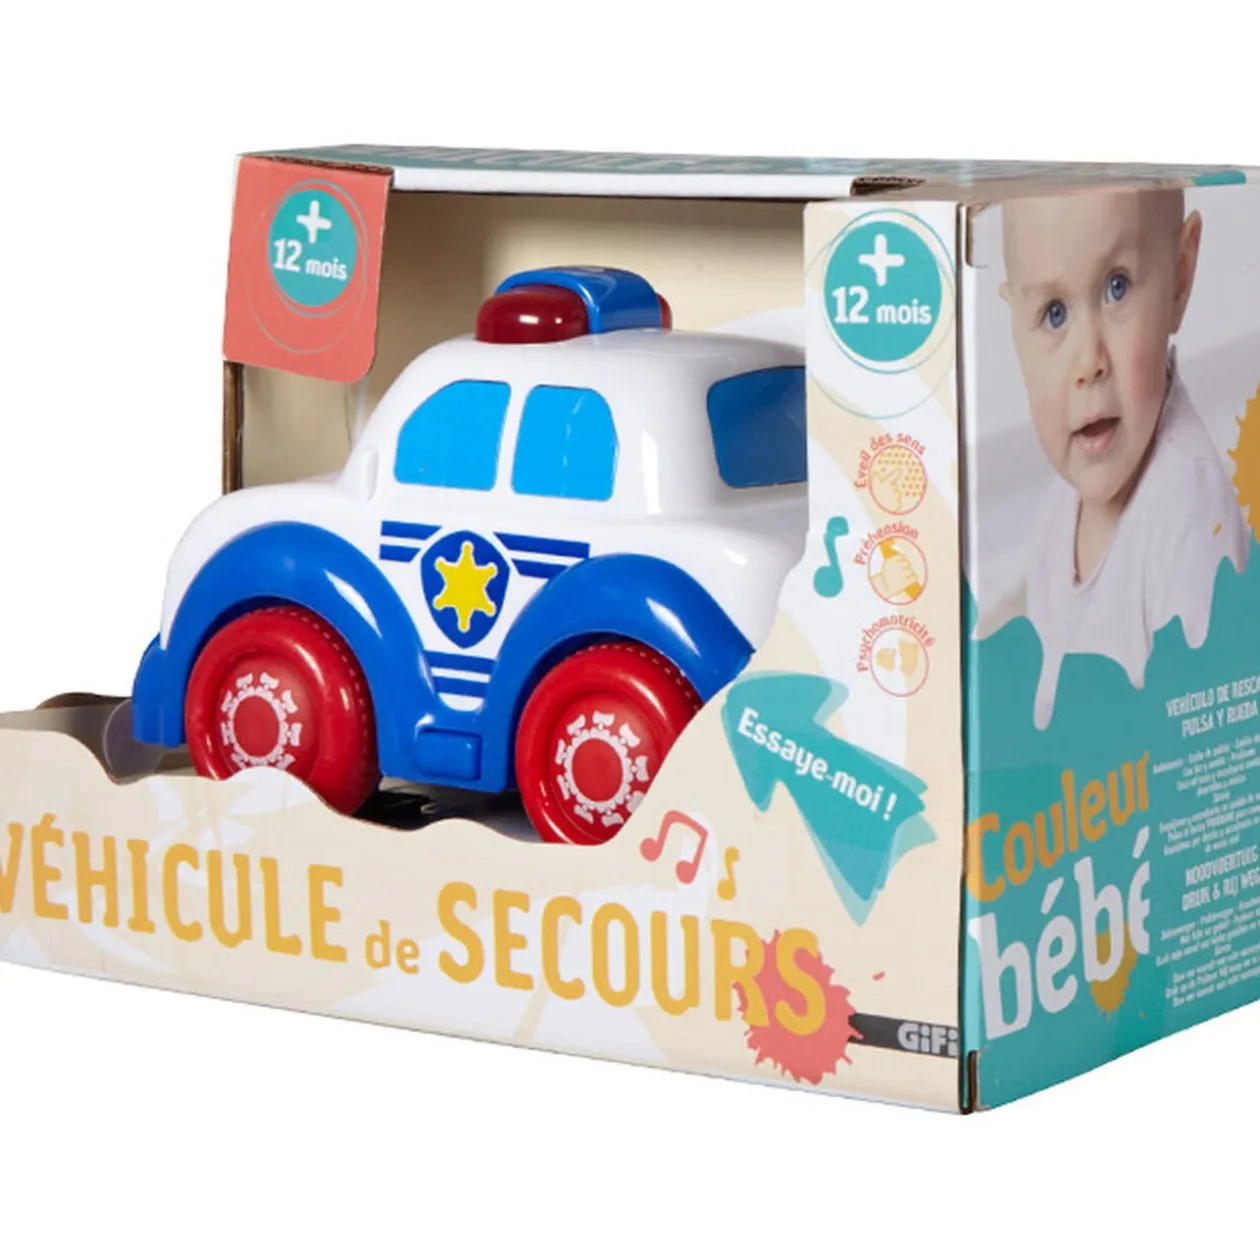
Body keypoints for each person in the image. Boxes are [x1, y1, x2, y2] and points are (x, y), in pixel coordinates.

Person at [1000, 187, 1247, 729]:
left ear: (1179, 279)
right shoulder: (1058, 507)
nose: (1088, 361)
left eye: (1117, 287)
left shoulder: (1188, 515)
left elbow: (1193, 737)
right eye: (1054, 314)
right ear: (1015, 329)